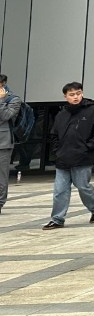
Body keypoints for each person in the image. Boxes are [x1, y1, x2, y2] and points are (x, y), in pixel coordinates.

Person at [43, 82, 94, 230]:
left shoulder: (93, 110)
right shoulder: (62, 114)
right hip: (63, 157)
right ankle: (57, 219)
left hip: (83, 157)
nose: (76, 97)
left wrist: (88, 146)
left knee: (83, 187)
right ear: (65, 96)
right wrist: (57, 150)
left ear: (82, 93)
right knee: (60, 190)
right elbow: (54, 134)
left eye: (78, 93)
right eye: (71, 95)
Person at [0, 74, 23, 215]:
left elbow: (6, 116)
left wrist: (1, 100)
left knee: (1, 175)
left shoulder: (13, 99)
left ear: (2, 84)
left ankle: (0, 202)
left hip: (3, 143)